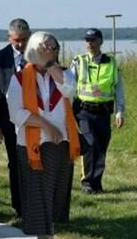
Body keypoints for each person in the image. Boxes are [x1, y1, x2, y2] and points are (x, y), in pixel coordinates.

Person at [7, 31, 81, 238]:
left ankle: (50, 230)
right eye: (44, 47)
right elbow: (16, 113)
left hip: (61, 144)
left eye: (53, 48)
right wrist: (46, 126)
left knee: (55, 193)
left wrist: (49, 64)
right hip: (33, 146)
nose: (49, 51)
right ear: (33, 48)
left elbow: (69, 90)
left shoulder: (64, 74)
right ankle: (42, 234)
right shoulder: (19, 78)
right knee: (38, 194)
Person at [71, 28, 125, 194]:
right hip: (83, 111)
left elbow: (119, 88)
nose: (90, 43)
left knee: (101, 146)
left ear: (101, 41)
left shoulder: (112, 62)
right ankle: (87, 182)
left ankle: (96, 182)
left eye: (93, 40)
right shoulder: (79, 61)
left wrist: (120, 111)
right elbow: (68, 86)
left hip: (103, 112)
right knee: (90, 143)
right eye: (87, 40)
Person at [0, 18, 31, 218]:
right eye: (16, 41)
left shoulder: (37, 56)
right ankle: (20, 208)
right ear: (9, 38)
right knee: (15, 163)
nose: (20, 45)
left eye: (24, 40)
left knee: (34, 163)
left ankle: (37, 205)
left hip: (35, 120)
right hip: (9, 121)